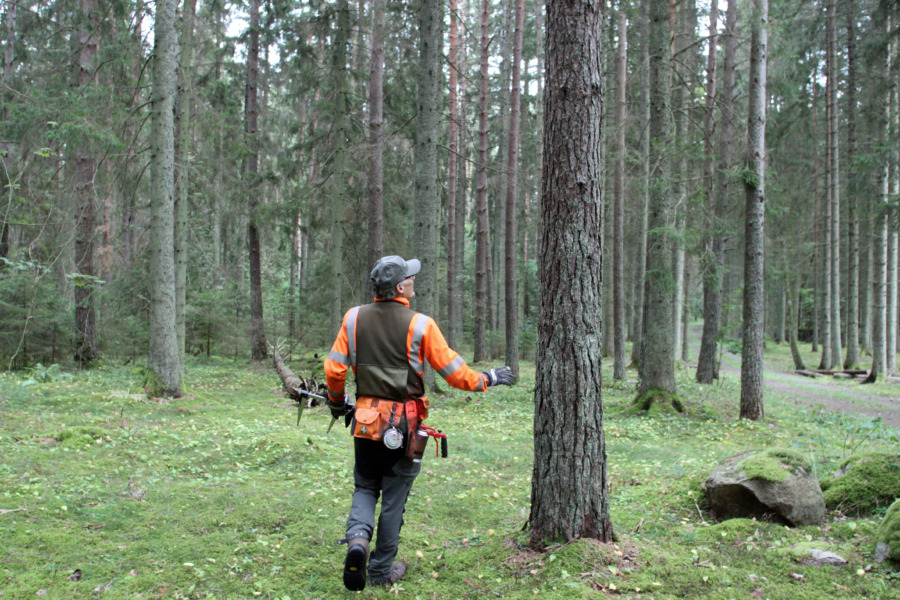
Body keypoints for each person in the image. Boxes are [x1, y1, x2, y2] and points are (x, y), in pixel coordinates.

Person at [324, 255, 514, 591]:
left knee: (366, 486)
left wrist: (338, 403)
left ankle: (357, 541)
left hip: (365, 422)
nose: (414, 281)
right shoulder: (421, 324)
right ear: (399, 287)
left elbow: (334, 370)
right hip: (404, 427)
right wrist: (488, 378)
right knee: (394, 497)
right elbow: (456, 374)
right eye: (410, 277)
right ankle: (380, 571)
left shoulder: (352, 318)